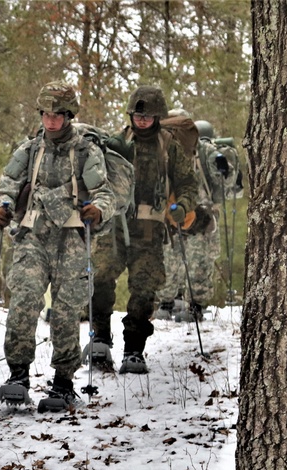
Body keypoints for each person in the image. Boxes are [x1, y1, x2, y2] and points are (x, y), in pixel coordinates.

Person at [0, 81, 118, 410]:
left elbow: (104, 191)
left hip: (72, 239)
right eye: (46, 114)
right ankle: (18, 375)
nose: (50, 122)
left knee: (64, 314)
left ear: (69, 115)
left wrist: (98, 208)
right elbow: (8, 183)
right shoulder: (31, 149)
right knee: (23, 302)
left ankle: (63, 381)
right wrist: (3, 205)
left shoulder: (86, 152)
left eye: (57, 115)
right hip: (32, 236)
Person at [90, 86, 197, 374]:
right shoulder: (117, 142)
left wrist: (183, 207)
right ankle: (99, 338)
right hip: (114, 227)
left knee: (144, 289)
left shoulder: (169, 146)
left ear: (158, 117)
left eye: (148, 116)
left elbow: (188, 184)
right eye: (138, 115)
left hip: (149, 231)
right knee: (99, 278)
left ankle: (134, 349)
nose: (142, 120)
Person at [154, 112, 237, 322]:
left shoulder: (204, 151)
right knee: (167, 262)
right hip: (171, 216)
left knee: (200, 262)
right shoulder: (161, 151)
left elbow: (227, 181)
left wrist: (225, 170)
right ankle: (166, 301)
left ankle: (196, 306)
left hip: (201, 217)